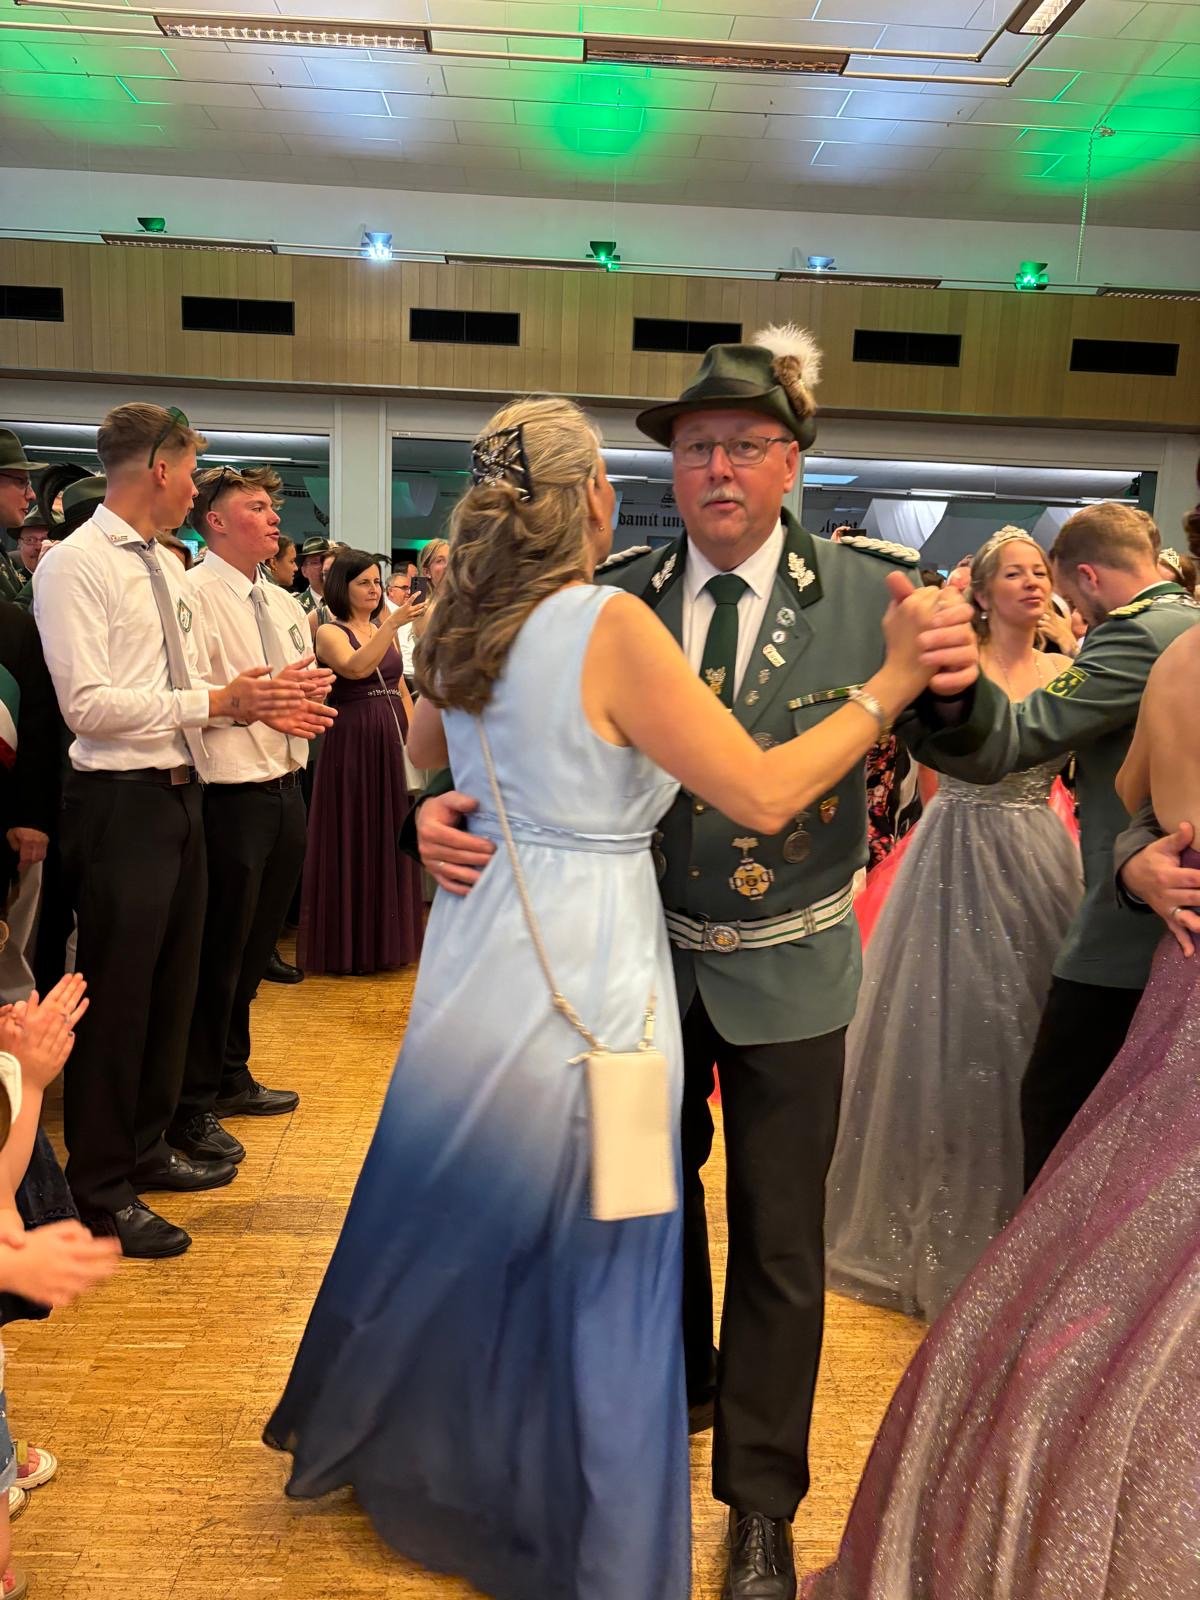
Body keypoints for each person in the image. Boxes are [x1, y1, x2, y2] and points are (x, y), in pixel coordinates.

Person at [266, 394, 958, 1600]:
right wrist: (890, 683)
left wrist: (442, 811)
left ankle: (464, 1445)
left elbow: (429, 754)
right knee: (616, 1222)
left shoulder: (465, 619)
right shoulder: (610, 620)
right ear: (594, 497)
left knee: (473, 1208)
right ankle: (585, 1487)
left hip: (484, 954)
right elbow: (758, 793)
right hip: (601, 972)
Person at [803, 626, 1200, 1600]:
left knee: (1105, 1277)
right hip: (1049, 902)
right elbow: (1112, 791)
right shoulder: (1165, 649)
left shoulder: (1169, 650)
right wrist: (1136, 857)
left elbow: (1132, 796)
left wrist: (1136, 855)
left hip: (1151, 971)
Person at [32, 403, 323, 1260]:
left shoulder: (166, 564)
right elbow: (88, 705)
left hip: (184, 795)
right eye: (192, 470)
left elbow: (191, 688)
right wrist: (219, 700)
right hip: (119, 800)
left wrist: (254, 701)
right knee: (121, 1000)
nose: (197, 488)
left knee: (173, 992)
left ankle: (147, 1144)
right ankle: (98, 1189)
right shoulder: (76, 564)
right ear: (159, 468)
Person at [825, 529, 1084, 1320]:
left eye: (1041, 572)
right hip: (960, 844)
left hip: (1041, 850)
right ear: (985, 591)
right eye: (1016, 573)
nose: (1033, 584)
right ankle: (938, 1200)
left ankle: (1029, 1211)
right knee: (951, 1023)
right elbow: (936, 772)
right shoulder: (958, 666)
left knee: (1031, 1020)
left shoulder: (1067, 672)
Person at [912, 503, 1200, 1189]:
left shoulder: (1140, 637)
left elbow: (1016, 739)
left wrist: (921, 695)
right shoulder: (1183, 627)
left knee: (1057, 1107)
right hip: (1121, 880)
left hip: (1132, 925)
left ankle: (1047, 1256)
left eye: (1053, 580)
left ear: (1086, 579)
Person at [165, 466, 334, 1167]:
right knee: (217, 955)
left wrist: (307, 694)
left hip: (285, 784)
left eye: (272, 507)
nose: (273, 519)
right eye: (257, 507)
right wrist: (255, 706)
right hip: (228, 791)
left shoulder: (283, 600)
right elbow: (190, 694)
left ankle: (232, 1074)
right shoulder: (194, 594)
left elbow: (292, 685)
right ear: (215, 521)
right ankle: (190, 1103)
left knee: (255, 950)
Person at [298, 551, 426, 976]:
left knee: (390, 832)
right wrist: (391, 624)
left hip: (389, 734)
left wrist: (412, 736)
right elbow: (355, 668)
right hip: (352, 738)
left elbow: (399, 686)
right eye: (364, 583)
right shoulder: (329, 631)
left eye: (376, 582)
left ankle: (387, 942)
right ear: (344, 587)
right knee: (355, 831)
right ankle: (350, 946)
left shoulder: (380, 627)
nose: (374, 590)